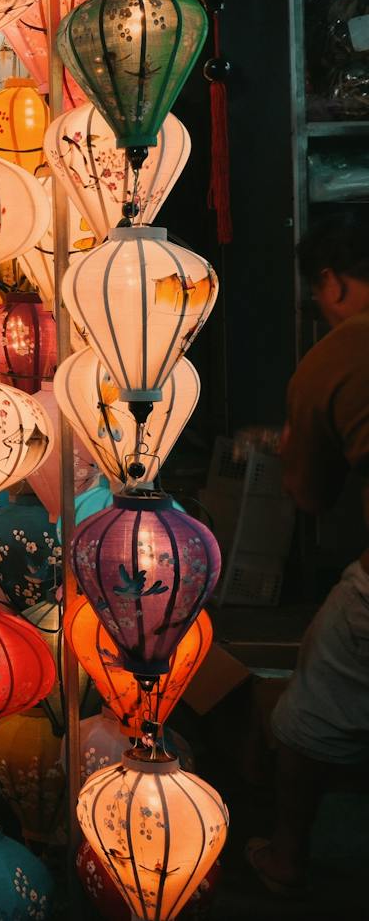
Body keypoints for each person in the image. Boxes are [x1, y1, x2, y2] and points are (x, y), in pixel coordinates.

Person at [249, 210, 369, 894]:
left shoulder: (337, 354)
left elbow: (309, 494)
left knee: (310, 710)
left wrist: (297, 436)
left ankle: (286, 857)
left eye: (319, 295)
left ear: (334, 282)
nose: (322, 309)